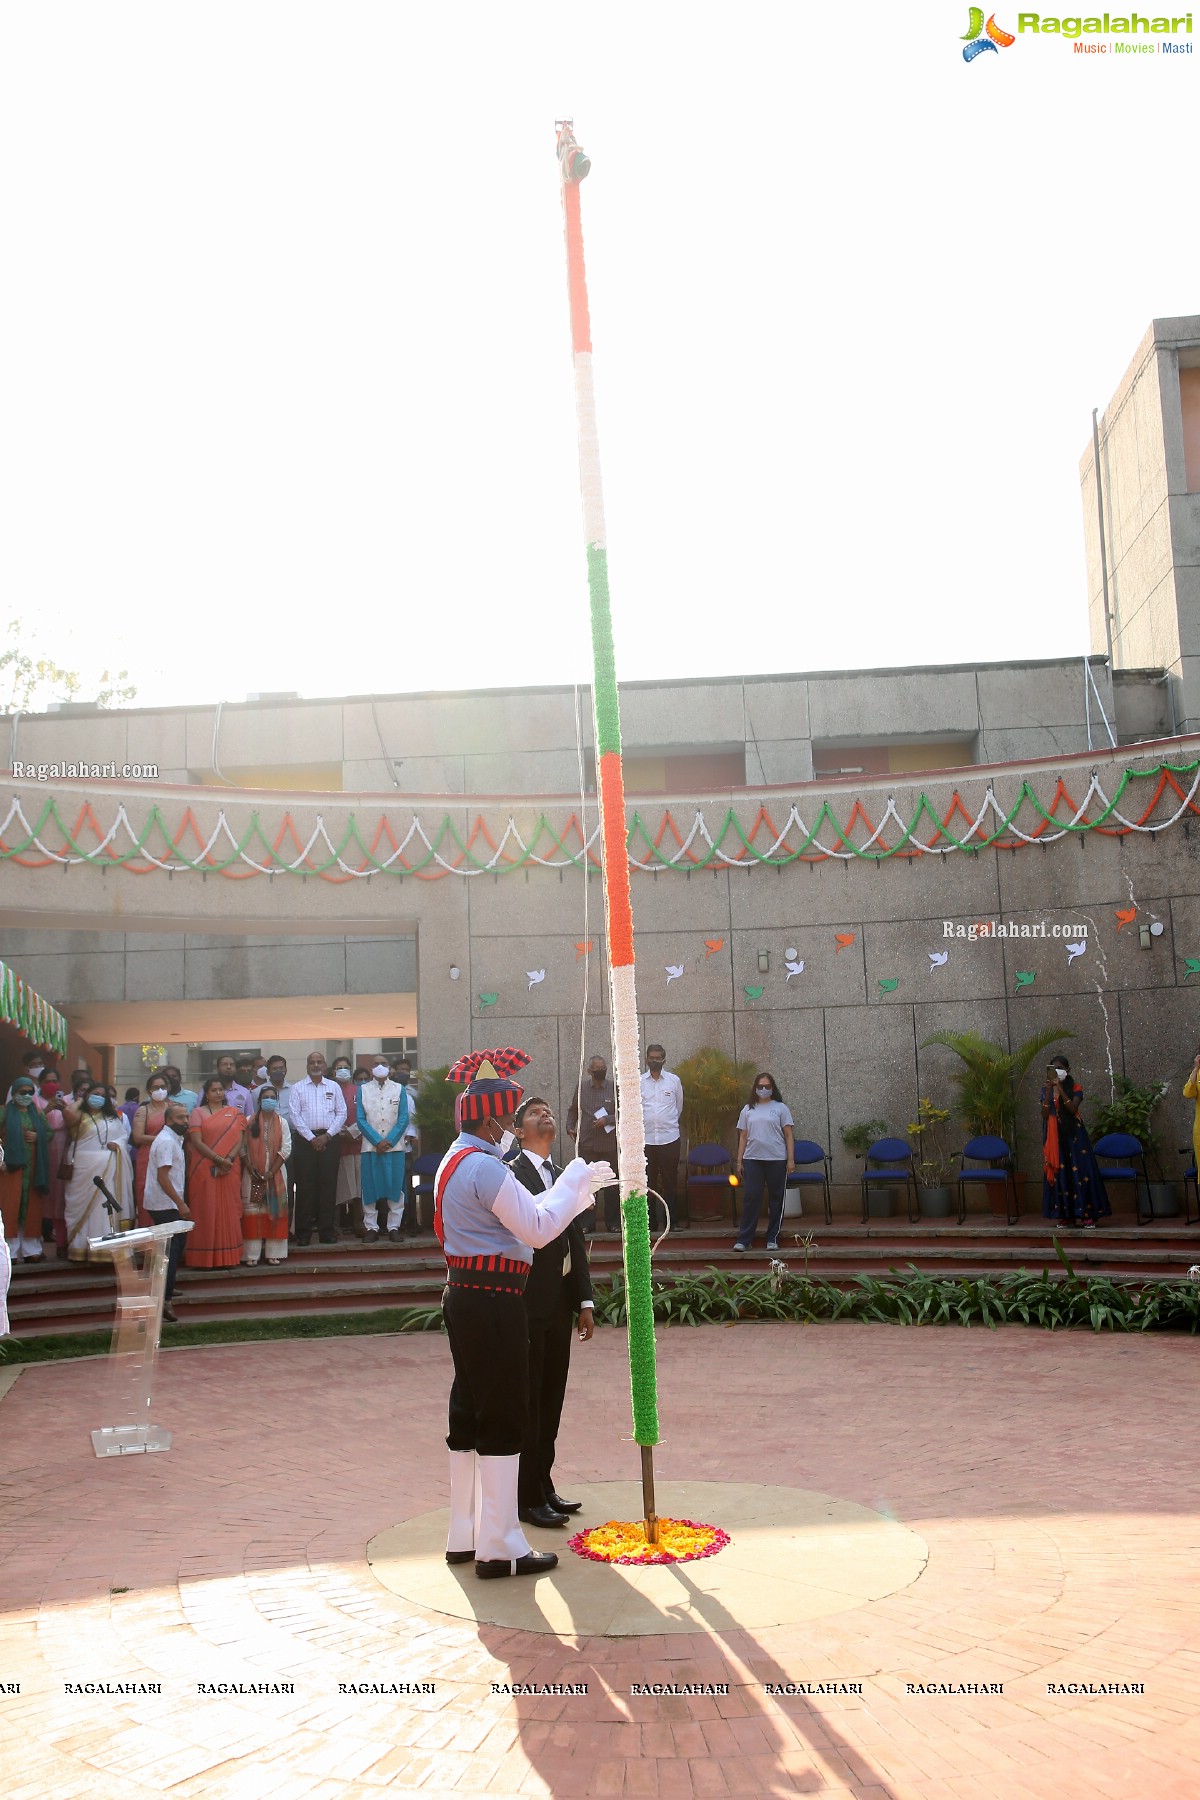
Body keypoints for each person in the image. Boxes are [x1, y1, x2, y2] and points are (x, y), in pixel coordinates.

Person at [436, 1047, 612, 1580]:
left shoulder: (453, 1158)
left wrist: (569, 1189)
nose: (511, 1126)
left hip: (465, 1295)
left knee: (469, 1411)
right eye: (507, 1115)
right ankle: (501, 1545)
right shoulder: (485, 1167)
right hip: (494, 1301)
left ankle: (465, 1533)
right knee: (506, 1414)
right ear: (490, 1120)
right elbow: (536, 1229)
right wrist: (575, 1190)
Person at [509, 1096, 594, 1528]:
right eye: (533, 1112)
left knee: (552, 1397)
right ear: (519, 1130)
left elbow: (574, 1239)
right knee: (530, 1400)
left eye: (548, 1109)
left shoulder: (563, 1173)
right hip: (527, 1302)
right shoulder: (510, 1172)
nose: (545, 1114)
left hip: (559, 1302)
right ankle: (525, 1497)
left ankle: (544, 1484)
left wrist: (584, 1300)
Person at [59, 1080, 134, 1260]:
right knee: (82, 1210)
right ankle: (80, 1248)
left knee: (104, 1209)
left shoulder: (112, 1117)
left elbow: (124, 1138)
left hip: (108, 1169)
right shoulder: (79, 1114)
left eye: (102, 1096)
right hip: (83, 1171)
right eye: (94, 1094)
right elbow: (67, 1112)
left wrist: (117, 1144)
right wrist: (82, 1099)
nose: (98, 1098)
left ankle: (105, 1250)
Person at [1041, 1056, 1111, 1229]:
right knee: (1061, 1174)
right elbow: (1044, 1114)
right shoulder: (1045, 1090)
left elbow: (1072, 1108)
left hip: (1075, 1137)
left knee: (1081, 1173)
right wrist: (1050, 1091)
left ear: (1068, 1070)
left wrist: (1060, 1089)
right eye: (1053, 1068)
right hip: (1056, 1137)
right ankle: (1065, 1216)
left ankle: (1087, 1215)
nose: (1057, 1071)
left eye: (1060, 1068)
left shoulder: (1075, 1087)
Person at [185, 1077, 246, 1268]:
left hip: (230, 1167)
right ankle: (202, 1259)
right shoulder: (197, 1113)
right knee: (206, 1210)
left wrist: (228, 1160)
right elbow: (196, 1142)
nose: (218, 1093)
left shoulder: (235, 1113)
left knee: (229, 1210)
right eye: (214, 1090)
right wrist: (219, 1160)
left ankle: (229, 1257)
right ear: (206, 1094)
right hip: (205, 1168)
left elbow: (240, 1140)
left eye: (221, 1089)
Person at [288, 1051, 347, 1246]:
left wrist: (327, 1136)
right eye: (311, 1062)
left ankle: (327, 1232)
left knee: (328, 1187)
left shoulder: (334, 1086)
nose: (315, 1065)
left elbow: (342, 1113)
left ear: (324, 1065)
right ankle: (303, 1233)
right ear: (307, 1066)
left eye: (319, 1062)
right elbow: (294, 1116)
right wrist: (313, 1138)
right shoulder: (297, 1088)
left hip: (329, 1140)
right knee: (305, 1187)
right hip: (306, 1142)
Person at [733, 1072, 796, 1253]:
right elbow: (743, 1136)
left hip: (777, 1159)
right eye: (760, 1086)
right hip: (752, 1159)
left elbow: (789, 1135)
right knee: (751, 1198)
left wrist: (790, 1159)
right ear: (755, 1088)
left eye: (767, 1086)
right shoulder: (747, 1109)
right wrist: (739, 1161)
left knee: (776, 1199)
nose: (763, 1089)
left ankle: (772, 1238)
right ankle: (745, 1239)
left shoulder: (781, 1108)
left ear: (772, 1088)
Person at [144, 1100, 193, 1322]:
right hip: (165, 1204)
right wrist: (180, 1203)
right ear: (169, 1120)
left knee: (176, 1246)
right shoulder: (166, 1141)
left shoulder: (174, 1139)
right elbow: (162, 1177)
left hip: (169, 1202)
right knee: (170, 1252)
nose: (185, 1121)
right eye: (180, 1118)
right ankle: (164, 1301)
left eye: (186, 1117)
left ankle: (168, 1287)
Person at [566, 1055, 619, 1231]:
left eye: (603, 1067)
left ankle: (613, 1223)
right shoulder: (582, 1088)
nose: (601, 1070)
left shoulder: (613, 1087)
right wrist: (569, 1126)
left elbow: (622, 1111)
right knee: (588, 1185)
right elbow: (573, 1110)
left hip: (609, 1144)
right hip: (587, 1143)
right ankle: (587, 1224)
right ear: (590, 1071)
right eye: (597, 1068)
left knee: (611, 1185)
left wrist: (608, 1119)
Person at [357, 1061, 409, 1240]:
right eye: (376, 1063)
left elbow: (403, 1118)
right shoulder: (363, 1090)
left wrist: (389, 1141)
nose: (380, 1066)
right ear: (371, 1069)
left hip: (395, 1148)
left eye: (384, 1063)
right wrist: (377, 1141)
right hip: (371, 1148)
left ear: (389, 1068)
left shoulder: (398, 1089)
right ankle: (371, 1228)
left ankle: (394, 1226)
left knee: (395, 1187)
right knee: (370, 1186)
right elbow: (360, 1119)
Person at [1, 1076, 51, 1262]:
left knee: (32, 1209)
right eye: (23, 1092)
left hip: (34, 1168)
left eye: (30, 1092)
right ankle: (10, 1252)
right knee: (11, 1207)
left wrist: (38, 1136)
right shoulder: (4, 1112)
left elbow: (49, 1132)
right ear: (13, 1094)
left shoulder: (37, 1113)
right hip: (10, 1169)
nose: (27, 1096)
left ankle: (31, 1250)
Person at [241, 1085, 291, 1266]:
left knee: (274, 1210)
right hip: (252, 1173)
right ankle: (251, 1255)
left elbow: (286, 1149)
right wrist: (250, 1168)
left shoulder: (282, 1122)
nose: (269, 1100)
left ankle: (274, 1253)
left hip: (276, 1173)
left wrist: (271, 1172)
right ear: (260, 1101)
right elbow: (242, 1147)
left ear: (277, 1101)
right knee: (253, 1211)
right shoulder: (249, 1121)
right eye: (266, 1097)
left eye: (273, 1097)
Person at [640, 1044, 684, 1232]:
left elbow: (678, 1107)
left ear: (664, 1060)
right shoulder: (639, 1081)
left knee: (669, 1181)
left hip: (669, 1139)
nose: (654, 1060)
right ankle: (650, 1223)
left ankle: (671, 1221)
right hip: (646, 1140)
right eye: (651, 1057)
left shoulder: (674, 1081)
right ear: (646, 1059)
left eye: (658, 1057)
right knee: (647, 1181)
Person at [131, 1074, 171, 1225]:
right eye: (156, 1087)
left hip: (170, 1157)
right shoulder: (143, 1110)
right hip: (148, 1158)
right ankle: (147, 1242)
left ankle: (168, 1244)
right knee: (146, 1194)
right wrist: (165, 1140)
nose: (160, 1090)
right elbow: (138, 1137)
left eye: (163, 1087)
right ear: (149, 1091)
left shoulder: (173, 1108)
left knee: (169, 1194)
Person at [332, 1056, 362, 1232]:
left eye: (346, 1067)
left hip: (358, 1144)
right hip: (338, 1146)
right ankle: (335, 1224)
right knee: (339, 1186)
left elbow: (368, 1115)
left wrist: (353, 1132)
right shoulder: (329, 1090)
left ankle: (358, 1222)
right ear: (333, 1071)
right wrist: (340, 1131)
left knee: (359, 1186)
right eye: (339, 1067)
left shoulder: (359, 1091)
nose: (343, 1070)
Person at [392, 1058, 422, 1235]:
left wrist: (411, 1136)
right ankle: (393, 1223)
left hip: (405, 1147)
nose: (403, 1072)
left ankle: (409, 1222)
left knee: (407, 1186)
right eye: (400, 1069)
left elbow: (414, 1119)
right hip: (388, 1147)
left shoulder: (412, 1094)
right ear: (394, 1071)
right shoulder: (388, 1092)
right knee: (393, 1186)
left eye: (406, 1069)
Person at [214, 1054, 253, 1120]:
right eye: (224, 1064)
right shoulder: (207, 1091)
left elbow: (249, 1118)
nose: (228, 1067)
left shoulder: (244, 1092)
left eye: (231, 1065)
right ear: (218, 1068)